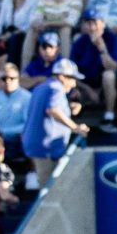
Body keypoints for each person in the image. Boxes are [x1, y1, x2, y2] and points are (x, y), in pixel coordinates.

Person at [21, 59, 88, 187]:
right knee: (48, 191)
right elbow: (52, 110)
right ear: (62, 77)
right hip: (46, 147)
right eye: (72, 79)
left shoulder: (42, 87)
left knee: (49, 187)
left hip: (39, 145)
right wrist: (75, 127)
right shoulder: (56, 88)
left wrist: (68, 108)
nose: (74, 84)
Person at [69, 9, 117, 132]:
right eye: (88, 23)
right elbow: (70, 72)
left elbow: (113, 67)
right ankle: (71, 123)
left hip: (104, 86)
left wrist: (102, 49)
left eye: (95, 23)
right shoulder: (80, 41)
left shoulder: (111, 38)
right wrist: (88, 90)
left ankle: (109, 116)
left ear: (102, 23)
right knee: (66, 84)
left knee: (109, 75)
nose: (92, 27)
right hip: (84, 85)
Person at [23, 0, 80, 66]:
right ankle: (24, 69)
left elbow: (71, 21)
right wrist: (36, 22)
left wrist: (48, 23)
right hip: (46, 27)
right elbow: (37, 13)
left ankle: (65, 68)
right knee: (32, 30)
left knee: (65, 30)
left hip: (63, 28)